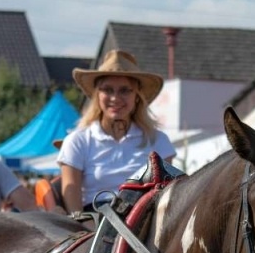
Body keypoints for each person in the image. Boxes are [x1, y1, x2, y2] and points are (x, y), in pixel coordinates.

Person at [58, 50, 175, 212]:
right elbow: (73, 209)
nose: (115, 98)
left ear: (137, 96)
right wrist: (88, 230)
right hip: (93, 224)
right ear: (97, 95)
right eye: (107, 90)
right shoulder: (77, 141)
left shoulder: (158, 141)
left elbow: (166, 197)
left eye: (124, 90)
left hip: (146, 224)